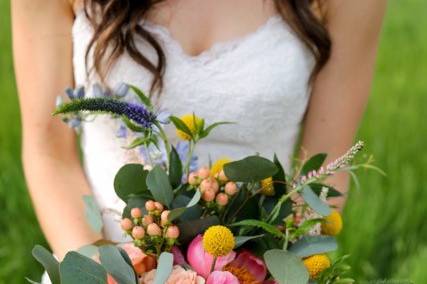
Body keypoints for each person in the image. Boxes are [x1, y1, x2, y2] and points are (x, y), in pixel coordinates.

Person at [12, 0, 386, 265]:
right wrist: (99, 269)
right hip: (94, 256)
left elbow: (325, 169)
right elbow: (49, 150)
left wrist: (268, 272)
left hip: (254, 267)